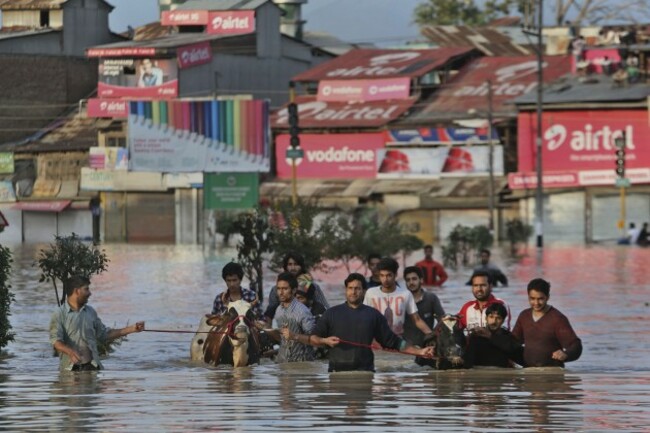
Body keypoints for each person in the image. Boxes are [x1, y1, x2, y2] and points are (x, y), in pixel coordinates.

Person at [308, 273, 434, 372]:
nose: (353, 292)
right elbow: (313, 338)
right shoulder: (331, 313)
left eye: (357, 288)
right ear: (345, 290)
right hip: (337, 373)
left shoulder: (373, 315)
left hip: (365, 373)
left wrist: (419, 352)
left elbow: (394, 342)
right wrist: (325, 341)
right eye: (350, 288)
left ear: (363, 291)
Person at [49, 276, 145, 371]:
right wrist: (70, 352)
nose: (90, 293)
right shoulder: (59, 314)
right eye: (86, 289)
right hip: (70, 371)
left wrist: (132, 329)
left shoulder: (90, 312)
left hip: (93, 368)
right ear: (77, 291)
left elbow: (104, 335)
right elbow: (56, 342)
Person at [512, 278, 582, 367]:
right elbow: (513, 342)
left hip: (552, 374)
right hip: (528, 373)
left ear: (548, 297)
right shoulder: (524, 316)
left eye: (540, 299)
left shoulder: (557, 319)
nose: (536, 303)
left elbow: (575, 345)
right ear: (528, 296)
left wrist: (566, 354)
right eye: (532, 298)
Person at [363, 257, 434, 338]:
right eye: (382, 275)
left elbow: (417, 320)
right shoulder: (370, 293)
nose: (385, 279)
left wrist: (432, 335)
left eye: (389, 275)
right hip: (375, 341)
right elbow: (364, 319)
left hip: (397, 341)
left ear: (395, 275)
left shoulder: (405, 294)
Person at [264, 252, 329, 323]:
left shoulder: (312, 286)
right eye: (290, 264)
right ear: (286, 267)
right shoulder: (276, 289)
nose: (293, 268)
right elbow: (271, 310)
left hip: (309, 321)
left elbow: (325, 307)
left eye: (296, 264)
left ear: (301, 266)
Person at [402, 266, 445, 367]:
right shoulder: (401, 300)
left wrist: (433, 337)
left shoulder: (431, 298)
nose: (411, 282)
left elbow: (442, 321)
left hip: (427, 347)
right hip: (406, 349)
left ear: (421, 280)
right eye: (408, 280)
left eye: (414, 279)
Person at [463, 303, 523, 368]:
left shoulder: (508, 337)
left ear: (503, 321)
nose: (494, 321)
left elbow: (520, 356)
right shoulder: (477, 336)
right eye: (491, 317)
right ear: (486, 318)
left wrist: (490, 336)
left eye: (498, 318)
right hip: (480, 374)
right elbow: (468, 363)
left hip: (501, 374)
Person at [274, 272, 316, 363]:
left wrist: (294, 336)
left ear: (293, 290)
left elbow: (314, 340)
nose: (281, 292)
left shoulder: (303, 311)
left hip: (302, 364)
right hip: (283, 363)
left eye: (285, 289)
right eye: (278, 289)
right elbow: (281, 338)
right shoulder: (278, 310)